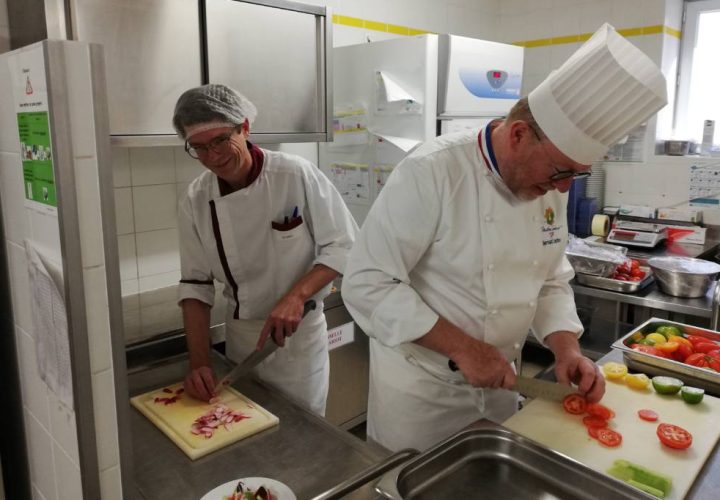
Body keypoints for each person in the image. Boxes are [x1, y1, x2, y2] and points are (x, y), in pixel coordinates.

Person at [341, 23, 668, 451]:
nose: (565, 188)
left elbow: (550, 279)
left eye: (576, 174)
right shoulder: (432, 172)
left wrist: (566, 350)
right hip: (423, 396)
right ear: (518, 136)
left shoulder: (544, 186)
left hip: (500, 389)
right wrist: (464, 347)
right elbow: (367, 283)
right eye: (561, 171)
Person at [173, 84, 358, 416]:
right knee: (245, 430)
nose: (212, 157)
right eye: (198, 147)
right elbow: (195, 285)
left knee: (304, 434)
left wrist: (296, 296)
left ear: (244, 128)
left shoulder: (294, 174)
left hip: (299, 339)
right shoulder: (196, 199)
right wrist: (199, 363)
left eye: (220, 141)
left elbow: (344, 243)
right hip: (242, 339)